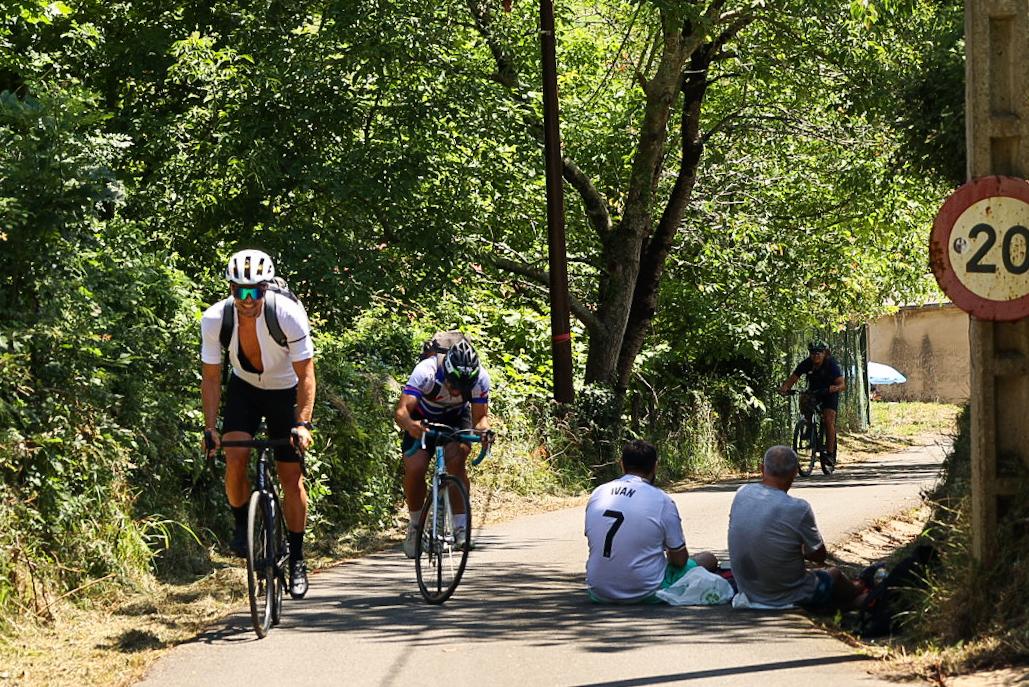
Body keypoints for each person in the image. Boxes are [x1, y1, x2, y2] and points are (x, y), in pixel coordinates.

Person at [200, 249, 316, 598]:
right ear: (231, 289)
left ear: (266, 289)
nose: (247, 300)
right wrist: (210, 428)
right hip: (245, 389)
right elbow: (211, 377)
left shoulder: (288, 314)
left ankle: (296, 558)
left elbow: (307, 374)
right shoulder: (215, 319)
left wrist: (303, 424)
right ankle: (241, 527)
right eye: (240, 291)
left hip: (285, 391)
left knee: (291, 479)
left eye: (255, 291)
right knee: (234, 457)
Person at [727, 445, 865, 610]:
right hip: (786, 596)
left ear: (762, 469)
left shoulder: (742, 493)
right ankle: (860, 592)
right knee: (834, 574)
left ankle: (851, 603)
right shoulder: (799, 508)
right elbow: (818, 555)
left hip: (747, 590)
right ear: (794, 473)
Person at [584, 440, 718, 603]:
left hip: (598, 592)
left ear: (622, 465)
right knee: (708, 559)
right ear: (655, 466)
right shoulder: (661, 500)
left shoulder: (598, 493)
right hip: (648, 592)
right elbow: (679, 560)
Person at [394, 337, 492, 558]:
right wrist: (411, 426)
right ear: (446, 374)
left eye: (463, 388)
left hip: (457, 418)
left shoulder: (480, 379)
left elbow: (480, 419)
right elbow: (401, 412)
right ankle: (416, 526)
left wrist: (484, 431)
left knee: (457, 460)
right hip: (422, 418)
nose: (457, 392)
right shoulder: (426, 372)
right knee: (416, 467)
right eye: (454, 386)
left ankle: (460, 527)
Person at [779, 340, 846, 465]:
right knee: (805, 402)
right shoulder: (806, 364)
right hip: (814, 391)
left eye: (819, 352)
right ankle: (808, 428)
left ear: (824, 353)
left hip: (829, 393)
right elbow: (793, 378)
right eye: (813, 352)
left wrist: (834, 388)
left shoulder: (831, 365)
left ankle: (830, 454)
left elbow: (842, 384)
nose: (816, 355)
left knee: (828, 419)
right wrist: (785, 388)